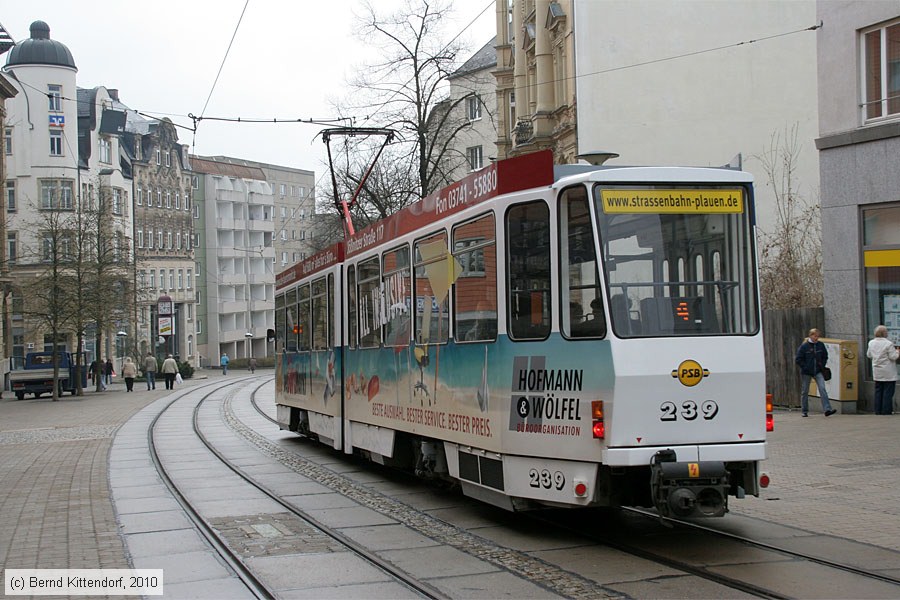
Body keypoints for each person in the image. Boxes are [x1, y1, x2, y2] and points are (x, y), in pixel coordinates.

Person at [795, 328, 836, 417]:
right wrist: (805, 367)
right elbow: (798, 359)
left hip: (818, 370)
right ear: (810, 336)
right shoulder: (804, 346)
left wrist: (822, 365)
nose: (816, 338)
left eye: (817, 336)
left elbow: (825, 356)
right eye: (815, 336)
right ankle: (804, 410)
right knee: (805, 391)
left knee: (822, 389)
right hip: (807, 371)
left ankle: (827, 409)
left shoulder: (820, 345)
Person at [866, 325, 898, 415]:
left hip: (877, 370)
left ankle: (878, 410)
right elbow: (893, 357)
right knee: (888, 392)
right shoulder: (888, 344)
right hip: (888, 371)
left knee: (878, 391)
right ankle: (886, 410)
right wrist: (897, 351)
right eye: (886, 331)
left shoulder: (871, 343)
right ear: (884, 333)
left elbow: (869, 355)